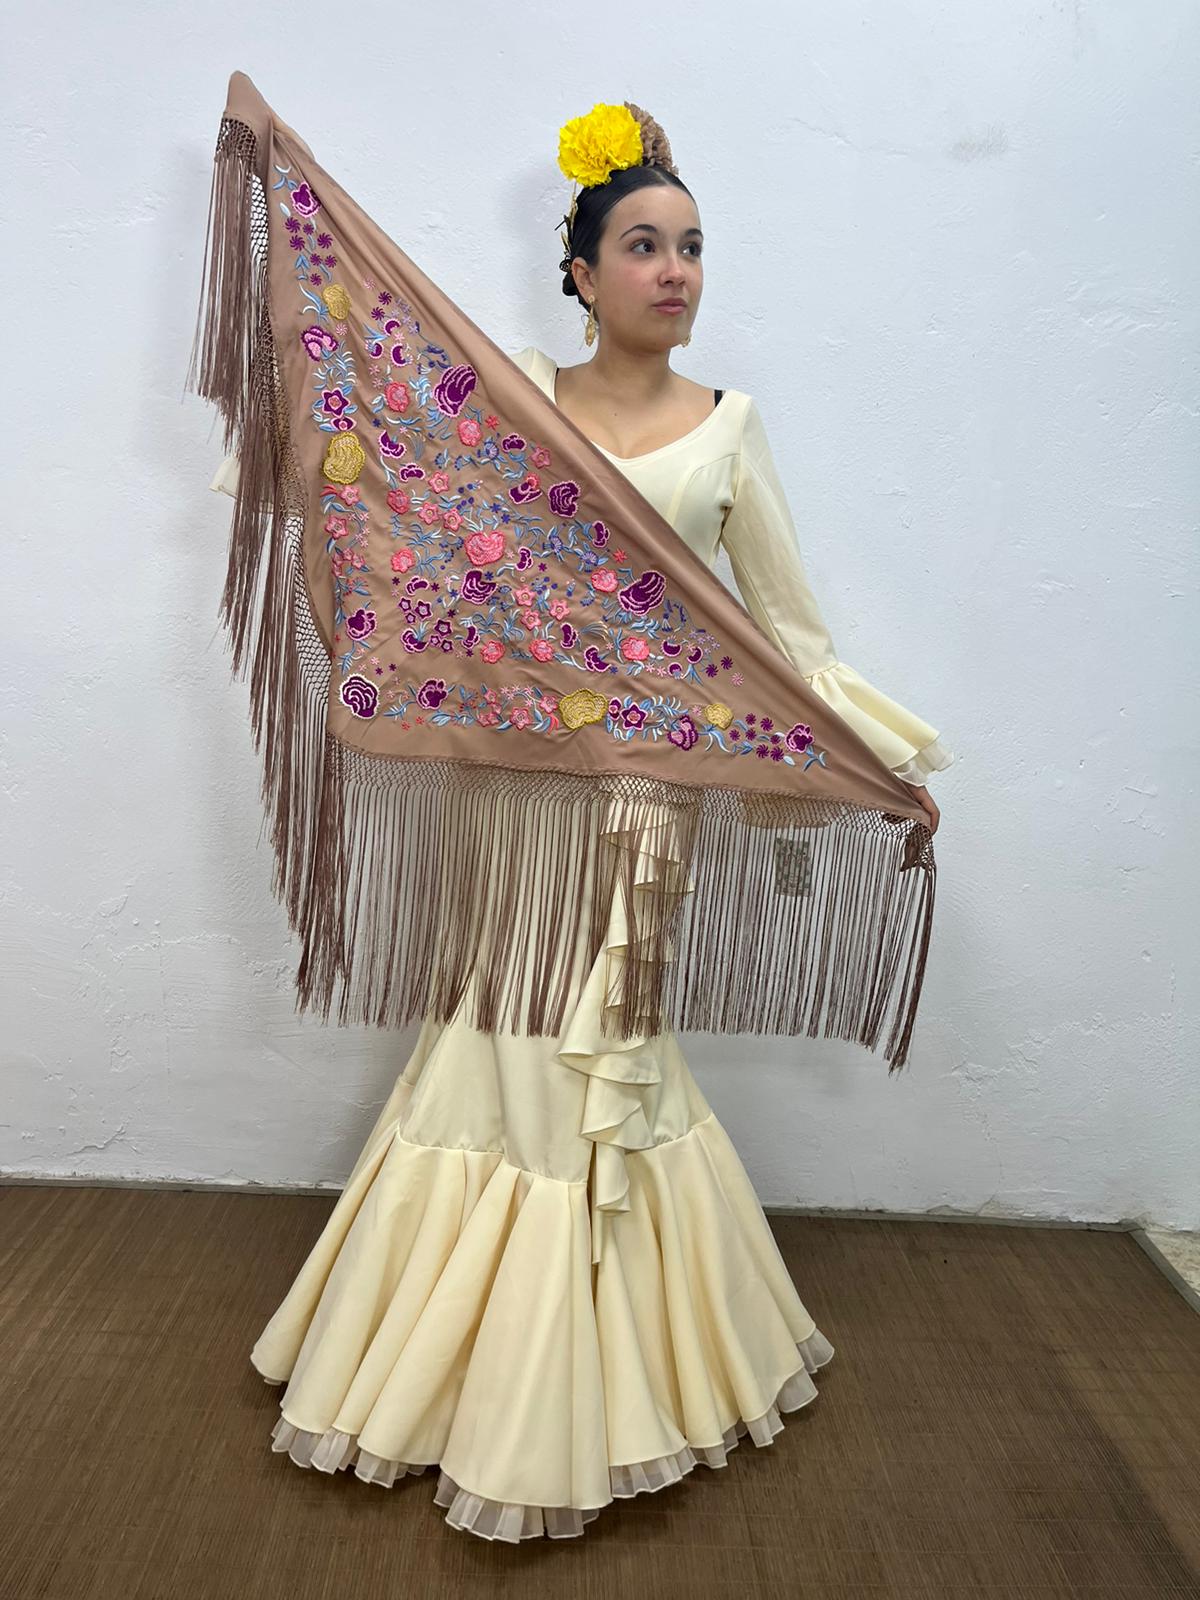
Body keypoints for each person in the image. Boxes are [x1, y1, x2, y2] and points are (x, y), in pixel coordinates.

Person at [207, 98, 952, 1544]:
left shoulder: (728, 431)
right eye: (646, 246)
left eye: (693, 248)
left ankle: (584, 1374)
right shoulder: (514, 405)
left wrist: (869, 763)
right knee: (494, 1034)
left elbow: (784, 635)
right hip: (510, 791)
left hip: (639, 804)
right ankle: (456, 1366)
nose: (676, 271)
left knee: (599, 1046)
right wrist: (295, 428)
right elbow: (395, 488)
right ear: (582, 272)